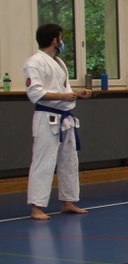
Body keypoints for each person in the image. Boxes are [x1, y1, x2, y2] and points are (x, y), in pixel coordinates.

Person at [25, 23, 92, 220]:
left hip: (65, 118)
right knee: (43, 161)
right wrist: (63, 97)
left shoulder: (59, 62)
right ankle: (37, 206)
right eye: (61, 38)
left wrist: (76, 93)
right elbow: (35, 93)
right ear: (55, 40)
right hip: (46, 118)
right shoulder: (34, 62)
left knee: (69, 161)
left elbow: (63, 89)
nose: (62, 42)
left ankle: (67, 201)